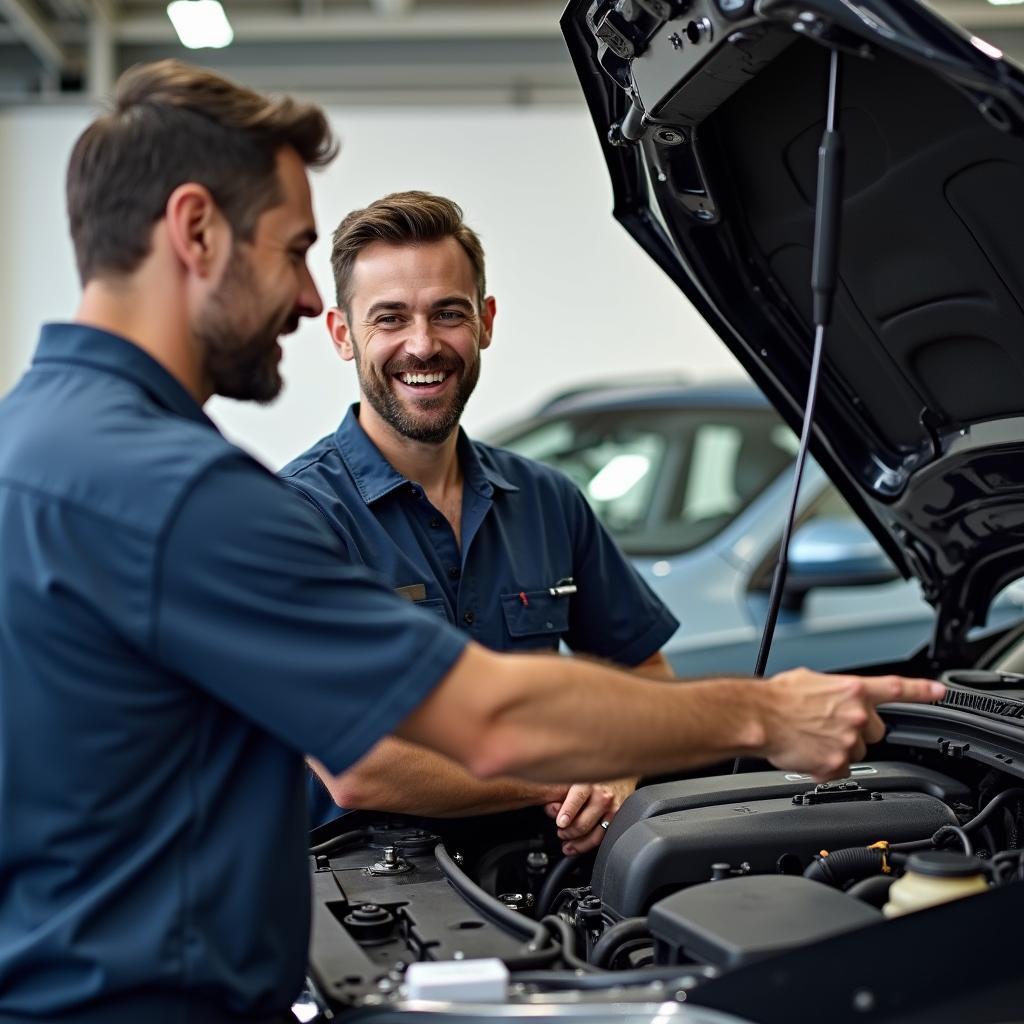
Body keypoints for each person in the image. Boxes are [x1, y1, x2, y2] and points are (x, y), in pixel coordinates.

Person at [0, 60, 944, 1024]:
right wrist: (764, 715)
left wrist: (617, 768)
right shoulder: (178, 491)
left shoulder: (34, 442)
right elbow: (473, 718)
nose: (294, 297)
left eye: (447, 311)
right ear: (196, 230)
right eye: (290, 251)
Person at [281, 191, 680, 853]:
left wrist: (615, 770)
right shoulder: (299, 519)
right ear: (342, 335)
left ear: (485, 321)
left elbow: (645, 675)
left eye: (448, 313)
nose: (423, 345)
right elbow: (357, 765)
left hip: (542, 886)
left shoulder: (548, 499)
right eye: (390, 318)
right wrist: (550, 774)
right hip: (362, 906)